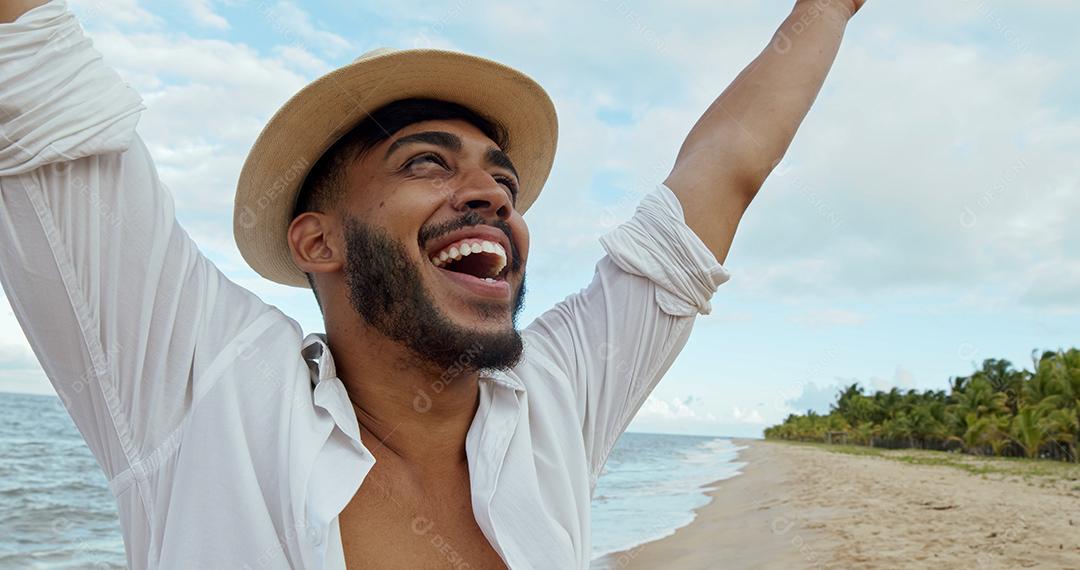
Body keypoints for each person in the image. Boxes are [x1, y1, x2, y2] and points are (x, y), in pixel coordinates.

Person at [0, 0, 865, 567]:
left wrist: (828, 7)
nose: (493, 194)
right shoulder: (204, 389)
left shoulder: (554, 397)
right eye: (426, 162)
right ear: (318, 241)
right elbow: (35, 79)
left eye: (505, 183)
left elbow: (724, 174)